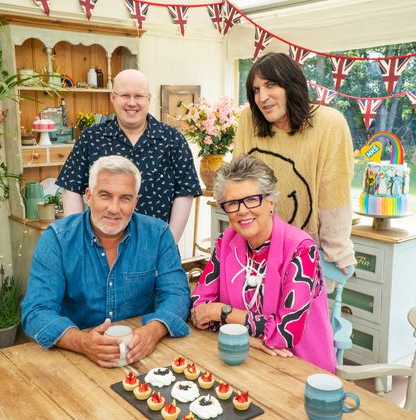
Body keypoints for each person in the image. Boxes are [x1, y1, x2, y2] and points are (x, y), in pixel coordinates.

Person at [22, 156, 191, 367]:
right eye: (105, 195)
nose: (114, 208)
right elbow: (36, 310)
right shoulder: (57, 238)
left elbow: (177, 294)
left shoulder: (158, 234)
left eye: (125, 198)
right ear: (88, 196)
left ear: (136, 202)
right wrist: (82, 342)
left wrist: (154, 330)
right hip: (75, 357)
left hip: (141, 354)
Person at [190, 155, 336, 373]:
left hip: (299, 368)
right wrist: (254, 340)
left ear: (271, 202)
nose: (242, 211)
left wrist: (223, 312)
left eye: (251, 200)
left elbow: (285, 333)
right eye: (232, 203)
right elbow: (199, 308)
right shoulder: (226, 241)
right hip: (243, 358)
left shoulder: (302, 250)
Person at [233, 52, 356, 272]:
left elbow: (334, 191)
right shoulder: (248, 120)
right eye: (256, 90)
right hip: (254, 249)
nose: (262, 97)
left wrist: (337, 250)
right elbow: (238, 185)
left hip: (306, 252)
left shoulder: (329, 123)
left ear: (292, 85)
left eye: (271, 85)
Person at [56, 69, 202, 243]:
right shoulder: (91, 138)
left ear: (148, 98)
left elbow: (185, 192)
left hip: (154, 246)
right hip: (101, 248)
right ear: (113, 97)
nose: (132, 103)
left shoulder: (172, 140)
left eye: (139, 96)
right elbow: (71, 188)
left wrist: (169, 244)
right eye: (125, 95)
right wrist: (78, 241)